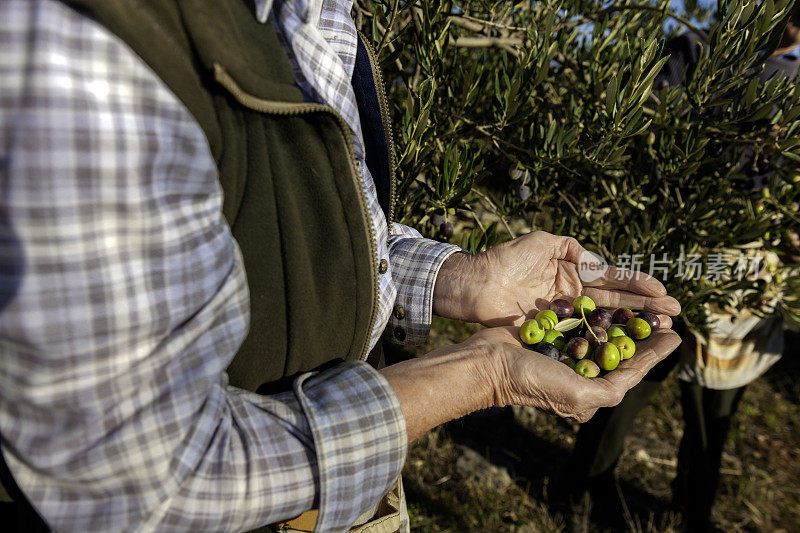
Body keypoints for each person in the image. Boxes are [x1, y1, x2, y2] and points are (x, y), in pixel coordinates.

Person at [0, 1, 682, 531]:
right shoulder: (89, 43)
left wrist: (461, 277)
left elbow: (303, 221)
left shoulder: (314, 17)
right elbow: (126, 484)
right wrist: (482, 374)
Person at [568, 5, 800, 532]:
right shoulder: (695, 51)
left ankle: (690, 511)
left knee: (713, 413)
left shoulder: (793, 85)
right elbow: (643, 137)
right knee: (629, 379)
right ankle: (581, 489)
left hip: (741, 278)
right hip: (670, 256)